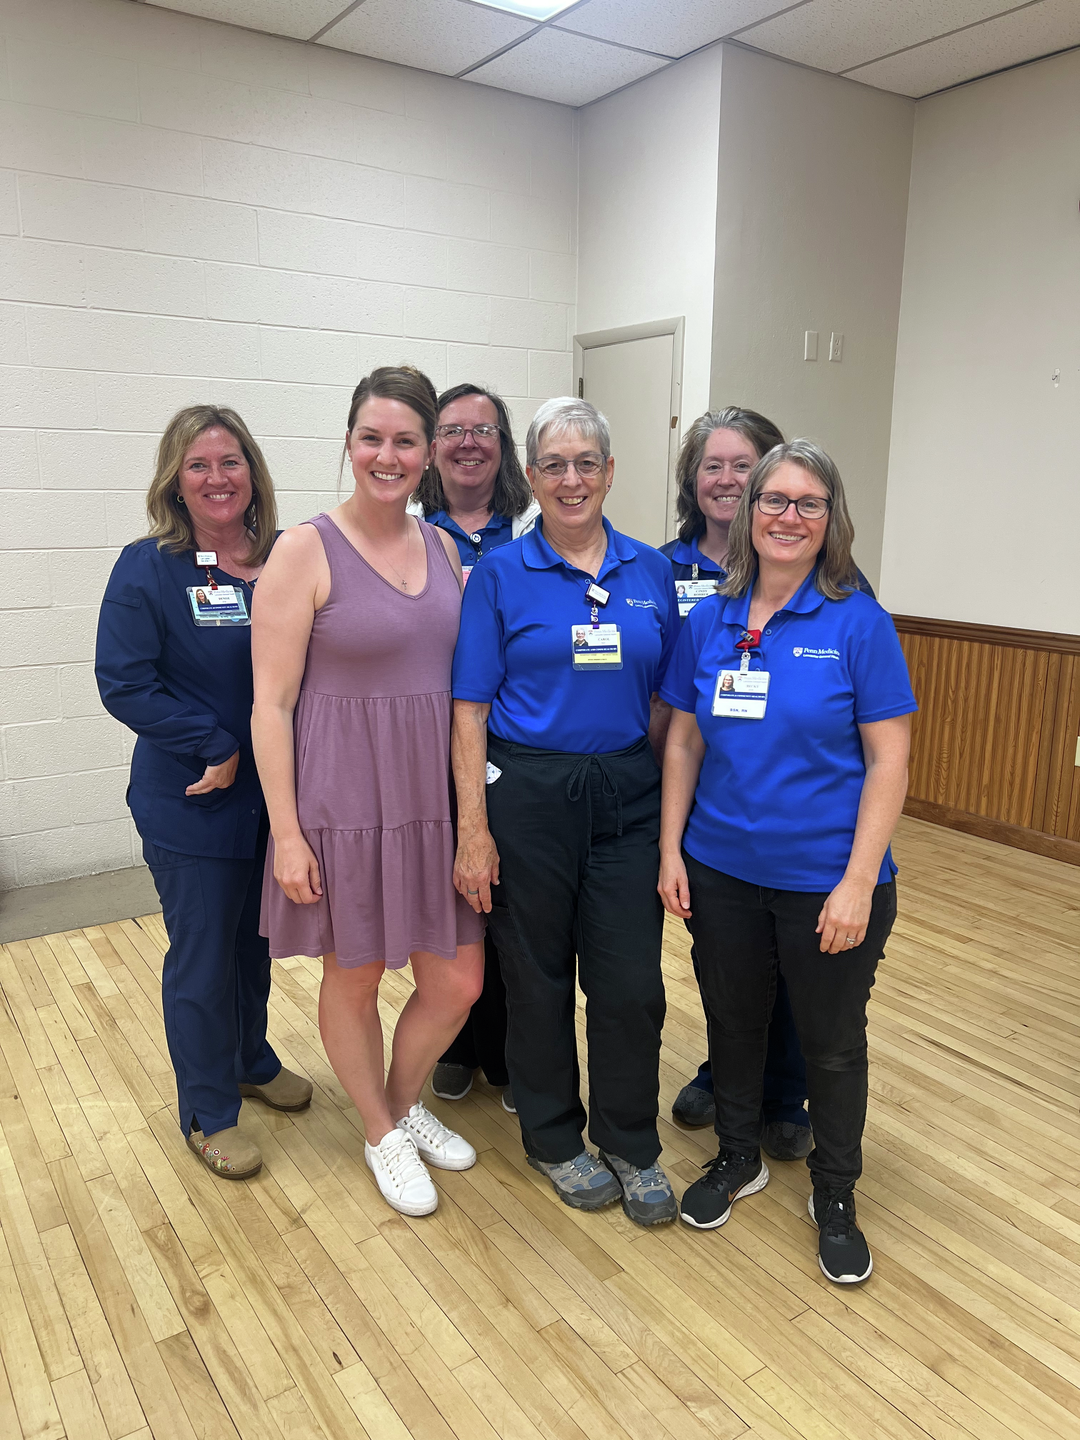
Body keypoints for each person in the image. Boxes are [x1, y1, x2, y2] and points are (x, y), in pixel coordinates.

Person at [658, 439, 915, 1283]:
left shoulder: (857, 622)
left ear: (830, 520)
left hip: (828, 883)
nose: (788, 517)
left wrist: (854, 883)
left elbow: (889, 761)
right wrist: (672, 847)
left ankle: (835, 1193)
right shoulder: (711, 618)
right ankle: (738, 1156)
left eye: (809, 504)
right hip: (723, 870)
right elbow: (686, 740)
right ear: (746, 513)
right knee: (733, 1022)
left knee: (832, 1044)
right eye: (774, 500)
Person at [252, 367, 485, 1219]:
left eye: (406, 441)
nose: (387, 456)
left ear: (428, 454)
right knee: (352, 978)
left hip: (433, 799)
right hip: (344, 803)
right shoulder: (303, 549)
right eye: (371, 438)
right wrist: (286, 832)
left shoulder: (443, 547)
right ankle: (382, 1133)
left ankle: (395, 1102)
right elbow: (270, 704)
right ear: (349, 444)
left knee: (457, 980)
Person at [452, 397, 681, 1227]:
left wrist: (642, 785)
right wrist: (473, 830)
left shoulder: (649, 570)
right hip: (529, 796)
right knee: (537, 976)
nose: (572, 478)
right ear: (534, 477)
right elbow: (468, 711)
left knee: (629, 984)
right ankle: (553, 1138)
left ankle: (629, 1140)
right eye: (555, 464)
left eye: (588, 462)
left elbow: (667, 699)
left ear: (611, 472)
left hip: (626, 794)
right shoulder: (501, 578)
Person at [96, 406, 312, 1182]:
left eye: (230, 462)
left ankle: (251, 1058)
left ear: (252, 472)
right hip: (195, 797)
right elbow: (123, 683)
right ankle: (207, 1110)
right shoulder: (147, 566)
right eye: (198, 466)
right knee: (203, 958)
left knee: (254, 947)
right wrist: (213, 741)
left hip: (277, 801)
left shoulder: (289, 556)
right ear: (175, 482)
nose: (217, 478)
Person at [660, 408, 814, 1160]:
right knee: (725, 957)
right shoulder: (661, 568)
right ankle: (728, 1073)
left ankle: (786, 1092)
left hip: (790, 811)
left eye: (742, 463)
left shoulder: (824, 578)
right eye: (711, 464)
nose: (726, 478)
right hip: (701, 806)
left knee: (790, 960)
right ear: (694, 479)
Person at [410, 383, 538, 1114]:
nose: (467, 442)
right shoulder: (410, 532)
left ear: (503, 444)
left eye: (482, 429)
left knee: (512, 907)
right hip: (435, 746)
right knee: (453, 902)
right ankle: (456, 1042)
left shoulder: (533, 529)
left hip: (514, 745)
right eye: (452, 429)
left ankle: (512, 1048)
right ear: (433, 447)